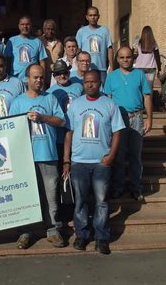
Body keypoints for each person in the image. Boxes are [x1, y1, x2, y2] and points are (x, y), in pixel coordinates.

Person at [64, 70, 124, 254]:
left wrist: (111, 156)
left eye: (94, 82)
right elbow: (69, 132)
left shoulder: (110, 104)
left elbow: (117, 132)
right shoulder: (75, 105)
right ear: (83, 83)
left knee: (101, 201)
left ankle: (101, 237)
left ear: (100, 83)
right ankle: (81, 235)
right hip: (79, 161)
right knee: (80, 201)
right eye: (87, 82)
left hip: (101, 163)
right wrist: (66, 160)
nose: (90, 85)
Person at [9, 64, 66, 249]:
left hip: (48, 154)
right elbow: (11, 130)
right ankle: (26, 231)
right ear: (27, 78)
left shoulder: (50, 98)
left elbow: (61, 121)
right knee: (27, 197)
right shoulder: (17, 102)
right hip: (26, 157)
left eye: (42, 77)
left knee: (51, 195)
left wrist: (42, 118)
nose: (39, 80)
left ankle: (53, 230)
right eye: (35, 77)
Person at [104, 46, 152, 201]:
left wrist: (149, 118)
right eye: (122, 57)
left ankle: (136, 188)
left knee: (135, 156)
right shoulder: (112, 76)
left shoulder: (140, 75)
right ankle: (118, 187)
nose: (125, 60)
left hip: (137, 118)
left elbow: (147, 96)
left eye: (128, 57)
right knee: (118, 155)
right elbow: (108, 99)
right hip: (118, 120)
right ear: (117, 59)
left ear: (133, 58)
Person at [47, 60, 83, 163]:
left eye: (65, 72)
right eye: (58, 73)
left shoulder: (79, 87)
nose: (62, 76)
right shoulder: (50, 93)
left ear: (69, 72)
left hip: (78, 136)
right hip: (59, 138)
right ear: (54, 76)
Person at [75, 6, 113, 87]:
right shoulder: (81, 31)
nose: (93, 17)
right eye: (91, 15)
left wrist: (111, 66)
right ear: (87, 17)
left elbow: (109, 48)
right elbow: (78, 50)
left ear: (98, 16)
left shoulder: (105, 30)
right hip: (87, 68)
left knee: (103, 92)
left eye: (95, 15)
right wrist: (77, 65)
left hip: (101, 68)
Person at [4, 16, 48, 82]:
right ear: (19, 26)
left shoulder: (37, 41)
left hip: (33, 80)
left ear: (31, 26)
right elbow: (7, 61)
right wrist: (6, 78)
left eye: (27, 24)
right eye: (22, 24)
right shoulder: (12, 41)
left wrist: (42, 80)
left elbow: (42, 62)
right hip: (15, 80)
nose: (25, 26)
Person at [133, 26, 162, 90]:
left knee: (139, 89)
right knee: (149, 89)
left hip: (139, 68)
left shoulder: (137, 43)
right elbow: (157, 57)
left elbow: (133, 54)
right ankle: (149, 100)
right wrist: (159, 69)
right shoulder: (154, 43)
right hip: (151, 68)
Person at [40, 19, 63, 88]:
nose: (50, 31)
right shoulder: (39, 42)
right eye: (48, 29)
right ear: (44, 29)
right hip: (43, 78)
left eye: (52, 29)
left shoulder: (59, 43)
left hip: (56, 78)